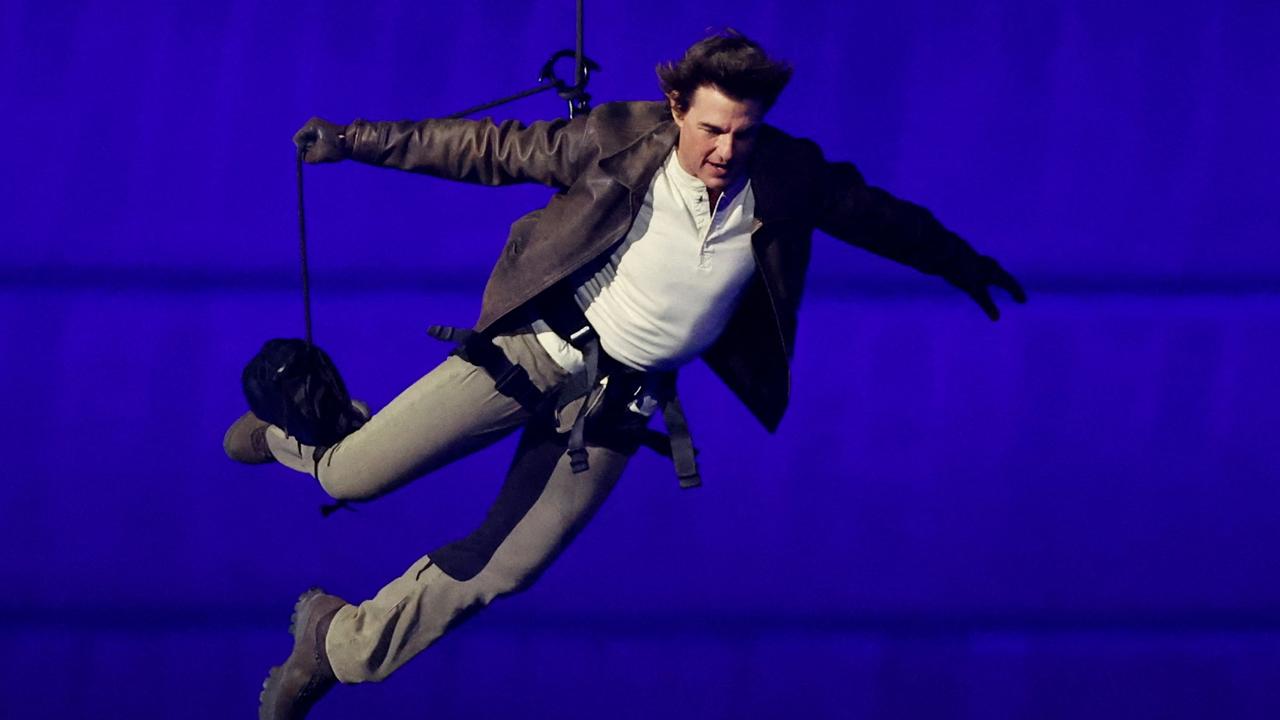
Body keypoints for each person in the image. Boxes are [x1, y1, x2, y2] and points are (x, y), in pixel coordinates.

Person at [225, 29, 1026, 719]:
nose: (725, 151)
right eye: (712, 129)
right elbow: (485, 150)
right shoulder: (615, 140)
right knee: (353, 475)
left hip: (617, 402)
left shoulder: (784, 175)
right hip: (531, 352)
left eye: (743, 134)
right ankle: (288, 439)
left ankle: (336, 643)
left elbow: (877, 215)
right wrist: (355, 139)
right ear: (678, 108)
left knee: (509, 566)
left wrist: (963, 263)